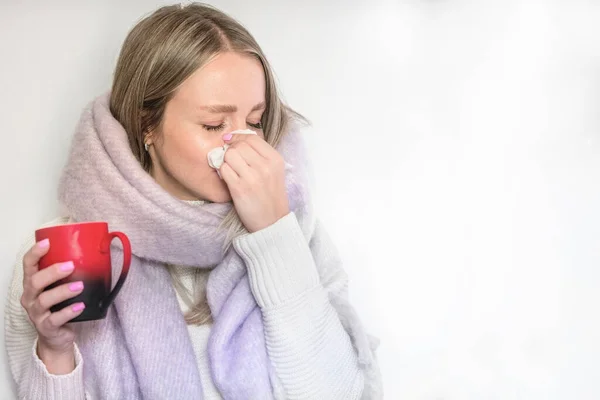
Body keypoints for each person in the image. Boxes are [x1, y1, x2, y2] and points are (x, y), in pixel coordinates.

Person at [4, 3, 381, 399]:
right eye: (214, 124)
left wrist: (274, 236)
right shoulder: (62, 260)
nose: (241, 142)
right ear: (146, 124)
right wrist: (55, 349)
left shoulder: (297, 234)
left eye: (254, 122)